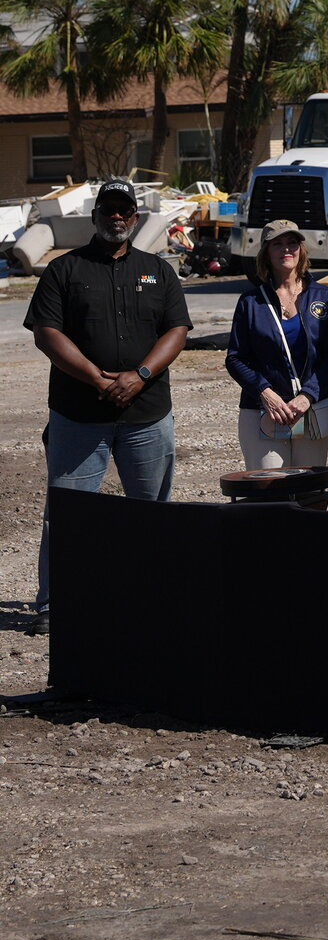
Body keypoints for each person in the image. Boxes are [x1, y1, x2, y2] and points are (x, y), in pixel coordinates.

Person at [26, 177, 191, 634]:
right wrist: (96, 379)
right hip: (79, 416)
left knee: (151, 511)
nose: (116, 217)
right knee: (67, 511)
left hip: (147, 416)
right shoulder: (65, 270)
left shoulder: (158, 270)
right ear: (95, 217)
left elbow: (177, 330)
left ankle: (152, 596)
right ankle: (54, 603)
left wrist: (139, 376)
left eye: (124, 210)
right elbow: (47, 333)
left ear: (135, 218)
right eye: (108, 210)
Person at [225, 219, 328, 471]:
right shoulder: (251, 301)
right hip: (263, 411)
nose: (286, 249)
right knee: (269, 491)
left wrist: (308, 395)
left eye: (292, 242)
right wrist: (265, 393)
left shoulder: (323, 297)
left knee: (309, 491)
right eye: (277, 244)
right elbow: (235, 358)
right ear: (266, 253)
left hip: (310, 408)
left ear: (301, 249)